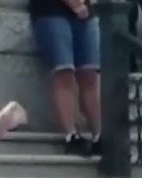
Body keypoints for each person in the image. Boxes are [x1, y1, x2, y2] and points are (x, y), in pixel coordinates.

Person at [29, 0, 101, 155]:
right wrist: (75, 4)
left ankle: (98, 135)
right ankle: (71, 135)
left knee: (90, 74)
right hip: (51, 11)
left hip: (86, 13)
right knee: (64, 71)